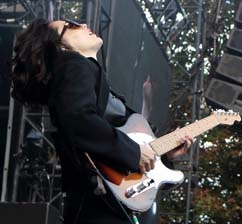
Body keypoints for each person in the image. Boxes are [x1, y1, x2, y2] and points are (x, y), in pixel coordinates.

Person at [10, 18, 192, 223]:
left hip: (102, 206)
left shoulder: (81, 72)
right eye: (70, 25)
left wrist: (163, 156)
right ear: (60, 46)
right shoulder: (74, 63)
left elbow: (107, 140)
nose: (82, 24)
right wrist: (134, 153)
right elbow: (78, 119)